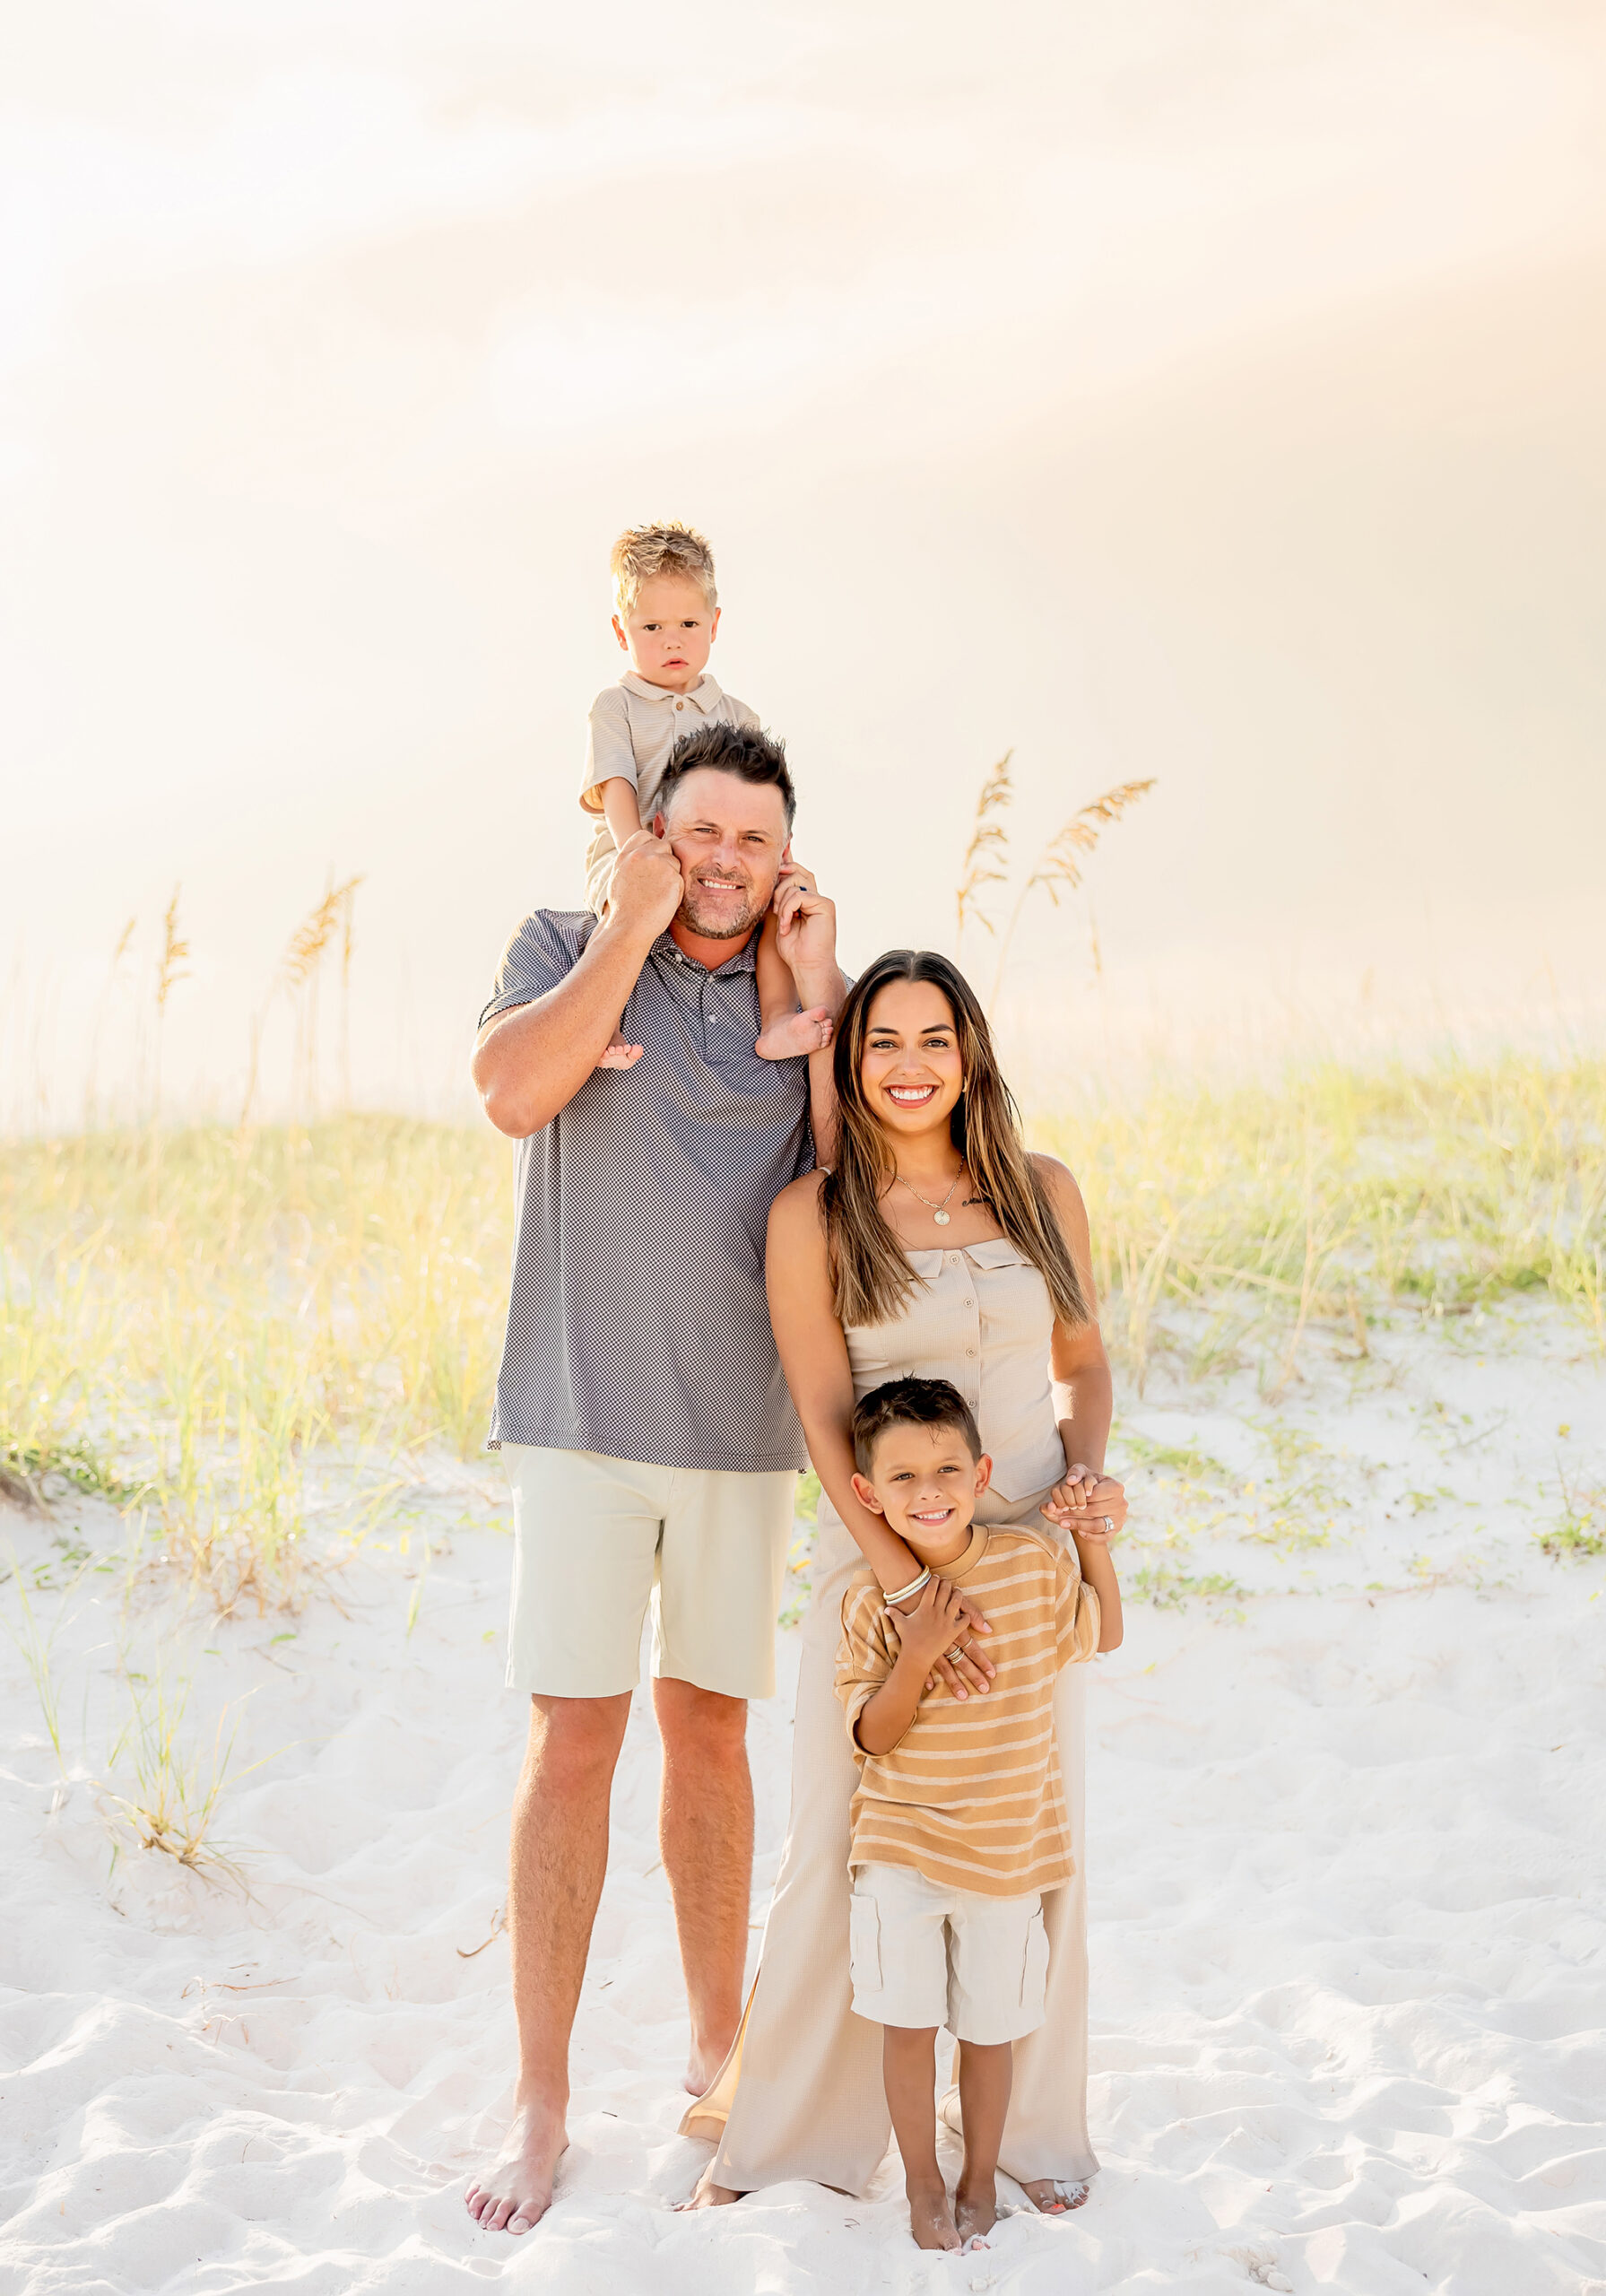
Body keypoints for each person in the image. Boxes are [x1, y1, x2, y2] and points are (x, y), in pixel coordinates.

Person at [463, 720, 848, 2234]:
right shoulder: (565, 937)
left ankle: (711, 2051)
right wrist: (625, 929)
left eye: (754, 841)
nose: (724, 862)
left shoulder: (794, 992)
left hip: (738, 1432)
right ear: (653, 832)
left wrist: (814, 993)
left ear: (784, 857)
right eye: (701, 833)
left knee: (709, 1737)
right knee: (573, 1741)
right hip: (577, 1416)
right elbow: (508, 1091)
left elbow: (842, 1191)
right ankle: (541, 2099)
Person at [685, 948, 1130, 2216]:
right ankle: (792, 2143)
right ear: (850, 1058)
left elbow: (1083, 1369)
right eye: (883, 1041)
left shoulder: (1042, 1190)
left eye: (934, 1040)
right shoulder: (811, 1215)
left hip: (1034, 1560)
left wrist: (1083, 1488)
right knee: (840, 1840)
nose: (910, 1066)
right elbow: (823, 1413)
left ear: (971, 1054)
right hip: (887, 1562)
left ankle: (1029, 2135)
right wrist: (902, 1584)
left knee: (1036, 1841)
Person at [837, 1375, 1124, 2250]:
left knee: (990, 2031)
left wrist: (1090, 1544)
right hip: (900, 1848)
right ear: (866, 1493)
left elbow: (1100, 1633)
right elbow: (871, 1736)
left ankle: (975, 2172)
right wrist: (917, 1651)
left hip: (1007, 1852)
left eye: (947, 1470)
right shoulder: (871, 1601)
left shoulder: (1031, 1569)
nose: (928, 1493)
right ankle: (922, 2180)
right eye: (902, 1478)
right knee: (908, 2027)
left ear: (981, 1472)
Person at [580, 522, 829, 1065]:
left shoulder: (737, 715)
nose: (672, 640)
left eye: (688, 623)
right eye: (651, 626)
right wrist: (636, 851)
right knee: (622, 919)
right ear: (622, 632)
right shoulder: (615, 706)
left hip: (720, 854)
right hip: (636, 848)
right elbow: (615, 782)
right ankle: (603, 1025)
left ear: (714, 625)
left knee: (771, 903)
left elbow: (762, 796)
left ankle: (777, 1017)